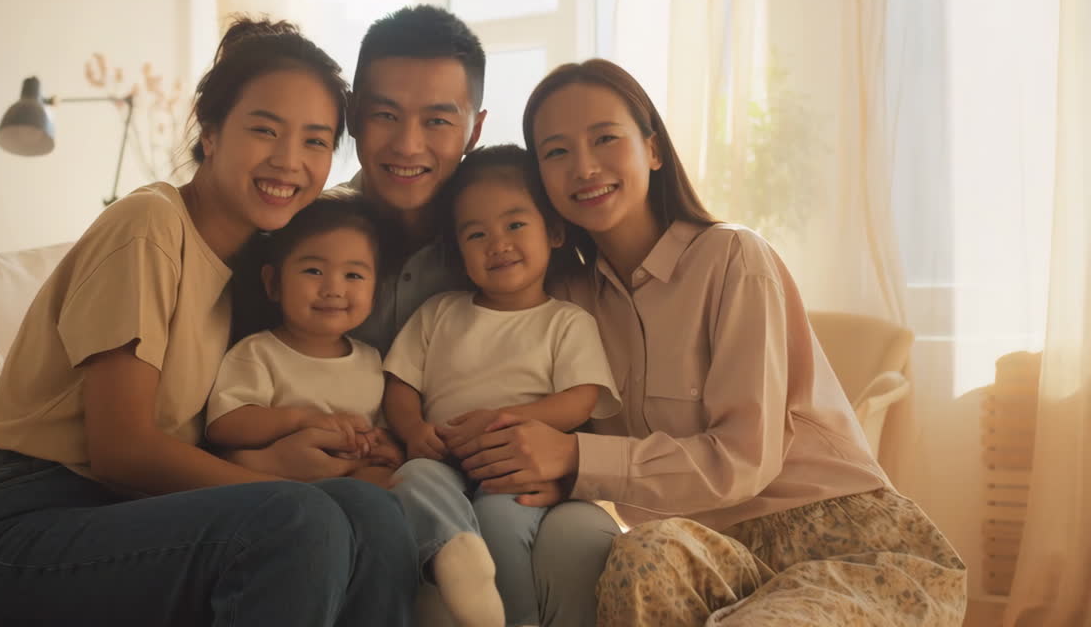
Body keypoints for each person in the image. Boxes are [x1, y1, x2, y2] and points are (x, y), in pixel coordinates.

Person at [452, 58, 967, 626]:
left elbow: (744, 459)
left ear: (652, 150)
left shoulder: (734, 259)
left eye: (605, 138)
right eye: (556, 152)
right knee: (636, 557)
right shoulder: (563, 303)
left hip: (840, 543)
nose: (584, 166)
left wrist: (575, 457)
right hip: (701, 550)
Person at [0, 17, 418, 627]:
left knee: (372, 510)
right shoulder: (150, 227)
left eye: (316, 141)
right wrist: (276, 476)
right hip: (24, 525)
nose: (289, 161)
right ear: (211, 129)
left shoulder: (262, 265)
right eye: (264, 130)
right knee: (300, 517)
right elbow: (122, 451)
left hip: (140, 514)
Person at [383, 145, 620, 627]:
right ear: (458, 250)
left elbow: (582, 399)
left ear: (553, 232)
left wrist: (510, 421)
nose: (498, 243)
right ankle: (456, 555)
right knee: (412, 481)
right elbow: (400, 382)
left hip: (516, 463)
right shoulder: (439, 312)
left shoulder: (564, 322)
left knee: (499, 519)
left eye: (515, 225)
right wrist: (412, 430)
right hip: (442, 457)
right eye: (476, 234)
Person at [204, 192, 403, 485]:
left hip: (350, 479)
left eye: (354, 275)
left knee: (392, 483)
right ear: (273, 283)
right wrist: (300, 420)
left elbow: (379, 429)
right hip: (282, 485)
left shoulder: (372, 360)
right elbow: (225, 424)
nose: (333, 288)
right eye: (314, 271)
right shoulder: (258, 352)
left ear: (376, 292)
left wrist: (385, 446)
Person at [342, 5, 486, 355]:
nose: (407, 146)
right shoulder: (300, 235)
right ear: (352, 116)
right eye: (386, 115)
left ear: (474, 132)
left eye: (437, 121)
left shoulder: (505, 243)